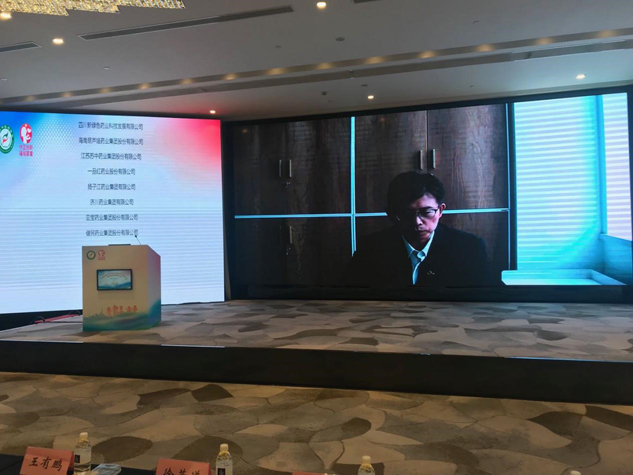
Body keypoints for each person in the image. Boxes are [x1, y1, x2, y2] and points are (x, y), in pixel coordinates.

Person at [345, 171, 498, 287]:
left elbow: (486, 297)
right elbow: (349, 294)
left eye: (427, 212)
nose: (417, 222)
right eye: (406, 213)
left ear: (440, 211)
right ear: (391, 214)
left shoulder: (469, 248)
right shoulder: (371, 248)